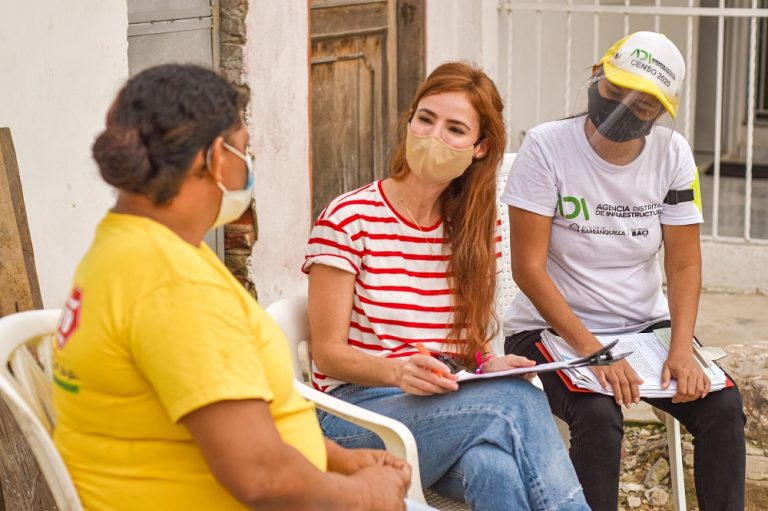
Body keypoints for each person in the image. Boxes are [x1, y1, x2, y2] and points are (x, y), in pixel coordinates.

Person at [52, 64, 433, 511]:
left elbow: (231, 421)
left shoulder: (130, 246)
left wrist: (337, 459)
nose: (247, 167)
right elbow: (262, 480)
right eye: (245, 151)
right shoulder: (173, 286)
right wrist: (365, 495)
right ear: (215, 157)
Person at [304, 61, 590, 511]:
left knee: (494, 468)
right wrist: (398, 372)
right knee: (515, 402)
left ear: (480, 148)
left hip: (444, 408)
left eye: (455, 129)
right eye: (425, 119)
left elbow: (461, 346)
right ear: (410, 121)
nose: (434, 136)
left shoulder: (471, 230)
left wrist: (486, 365)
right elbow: (327, 352)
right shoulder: (348, 218)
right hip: (356, 417)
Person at [502, 31, 746, 510]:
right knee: (598, 414)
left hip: (644, 328)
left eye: (644, 106)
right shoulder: (547, 147)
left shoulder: (673, 155)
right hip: (548, 328)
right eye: (614, 92)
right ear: (596, 77)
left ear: (662, 112)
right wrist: (595, 353)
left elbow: (684, 261)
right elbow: (528, 268)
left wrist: (681, 349)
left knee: (722, 406)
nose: (622, 110)